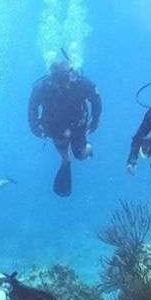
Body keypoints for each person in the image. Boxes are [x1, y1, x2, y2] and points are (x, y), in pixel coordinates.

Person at [28, 58, 102, 197]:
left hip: (77, 128)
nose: (61, 83)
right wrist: (34, 125)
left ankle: (86, 149)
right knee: (66, 155)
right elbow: (32, 105)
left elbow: (96, 99)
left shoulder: (80, 83)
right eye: (57, 78)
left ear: (70, 74)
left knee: (80, 155)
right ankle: (66, 161)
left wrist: (95, 120)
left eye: (64, 77)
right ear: (51, 76)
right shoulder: (43, 86)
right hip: (55, 129)